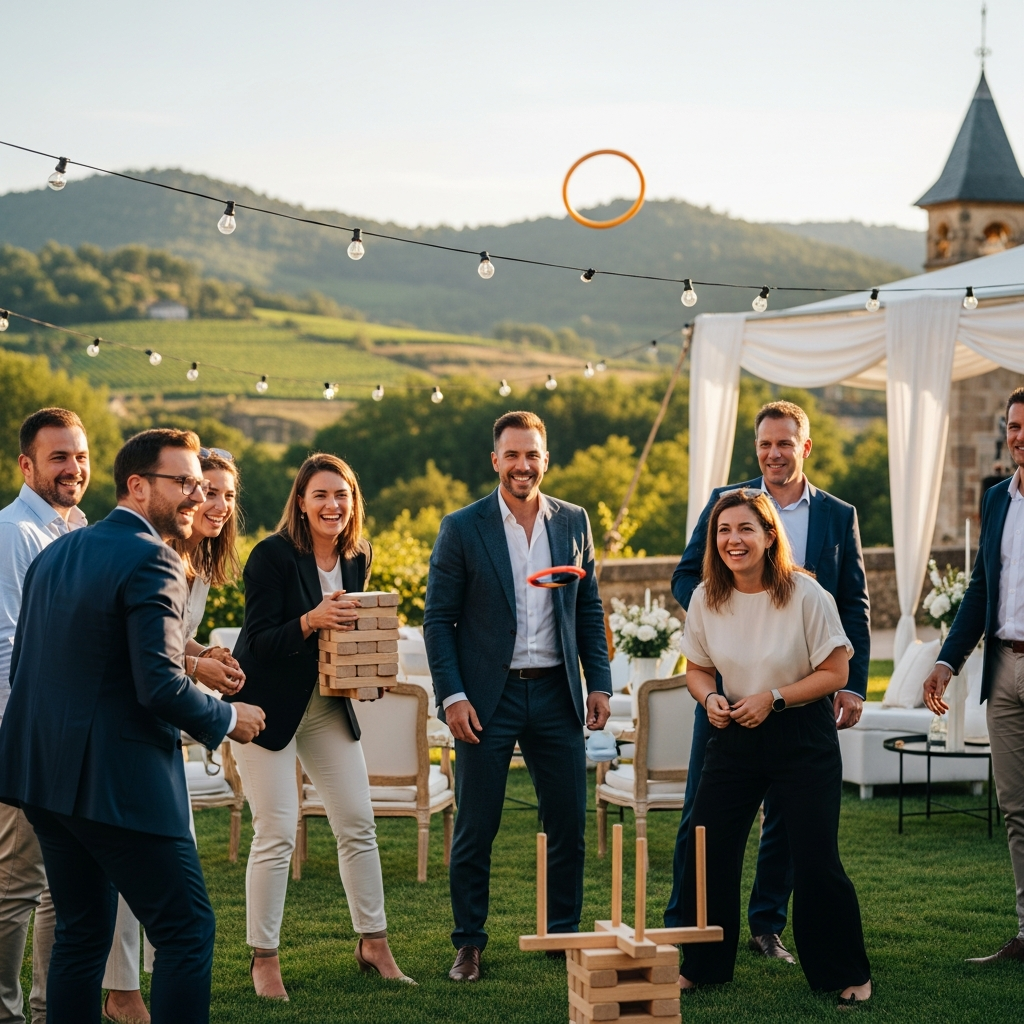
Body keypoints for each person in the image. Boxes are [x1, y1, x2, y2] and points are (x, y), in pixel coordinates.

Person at [0, 428, 266, 1024]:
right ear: (139, 486)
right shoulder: (155, 558)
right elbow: (160, 684)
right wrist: (228, 718)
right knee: (187, 930)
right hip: (119, 784)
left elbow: (29, 668)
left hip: (43, 780)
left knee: (80, 934)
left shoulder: (57, 553)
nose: (198, 497)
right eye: (184, 483)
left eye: (201, 483)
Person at [665, 400, 870, 964]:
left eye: (784, 443)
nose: (773, 453)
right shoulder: (721, 525)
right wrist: (725, 609)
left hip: (799, 708)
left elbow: (852, 605)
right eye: (764, 444)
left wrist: (840, 687)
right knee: (705, 836)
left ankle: (768, 927)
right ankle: (695, 947)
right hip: (730, 710)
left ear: (804, 447)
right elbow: (689, 584)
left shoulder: (830, 531)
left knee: (801, 840)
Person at [424, 410, 612, 982]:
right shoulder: (462, 527)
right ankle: (469, 943)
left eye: (532, 455)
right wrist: (452, 697)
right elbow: (438, 621)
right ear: (495, 461)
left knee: (569, 824)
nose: (522, 465)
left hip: (557, 694)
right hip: (488, 698)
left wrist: (598, 681)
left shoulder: (574, 522)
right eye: (512, 455)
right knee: (477, 824)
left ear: (545, 460)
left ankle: (562, 936)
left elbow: (588, 608)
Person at [228, 453, 413, 1001]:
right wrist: (311, 620)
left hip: (326, 706)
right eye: (321, 496)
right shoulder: (270, 557)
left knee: (359, 821)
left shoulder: (359, 555)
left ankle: (374, 945)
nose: (333, 505)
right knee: (277, 831)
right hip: (262, 708)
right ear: (301, 504)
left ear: (353, 501)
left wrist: (370, 671)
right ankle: (264, 957)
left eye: (343, 495)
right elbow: (258, 640)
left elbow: (346, 639)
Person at [101, 447, 246, 1020]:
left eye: (227, 495)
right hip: (129, 729)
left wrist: (204, 651)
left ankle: (161, 979)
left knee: (170, 858)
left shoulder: (198, 561)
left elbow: (171, 638)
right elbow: (137, 651)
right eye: (206, 490)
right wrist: (196, 670)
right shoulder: (154, 552)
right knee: (132, 871)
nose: (215, 503)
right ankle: (122, 990)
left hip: (161, 729)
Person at [923, 386, 1024, 966]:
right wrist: (946, 660)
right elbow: (982, 587)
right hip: (1003, 671)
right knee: (1016, 807)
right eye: (1013, 426)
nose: (1020, 436)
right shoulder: (997, 501)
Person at [0, 409, 89, 1024]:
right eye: (59, 457)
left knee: (65, 887)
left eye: (79, 456)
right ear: (27, 465)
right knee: (17, 886)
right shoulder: (12, 533)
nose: (73, 469)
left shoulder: (75, 531)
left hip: (72, 739)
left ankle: (49, 1010)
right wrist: (25, 741)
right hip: (26, 738)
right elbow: (8, 646)